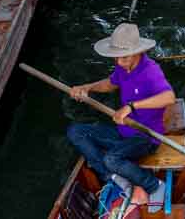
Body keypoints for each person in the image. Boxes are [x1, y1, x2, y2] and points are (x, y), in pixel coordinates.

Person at [67, 23, 174, 212]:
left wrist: (131, 106)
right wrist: (87, 87)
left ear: (137, 53)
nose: (118, 62)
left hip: (146, 136)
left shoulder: (151, 71)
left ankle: (154, 185)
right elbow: (110, 83)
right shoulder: (123, 67)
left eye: (123, 57)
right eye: (116, 57)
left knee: (111, 159)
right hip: (123, 131)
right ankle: (117, 179)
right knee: (76, 131)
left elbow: (169, 97)